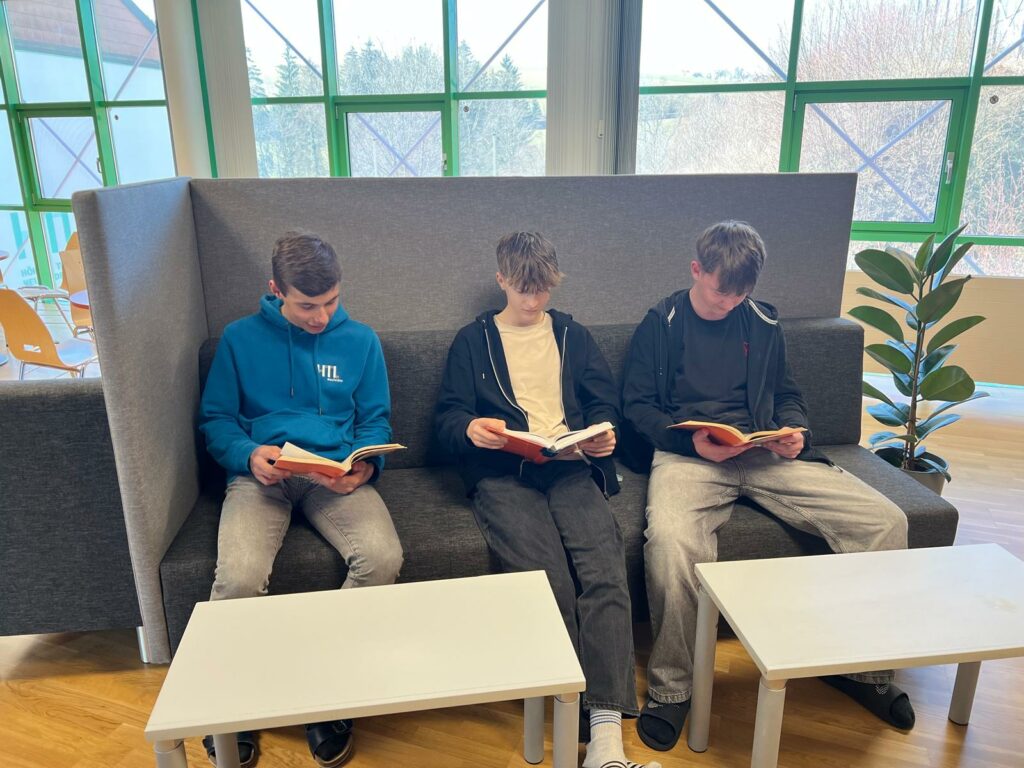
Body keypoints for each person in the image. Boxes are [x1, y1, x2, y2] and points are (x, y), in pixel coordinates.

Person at [621, 220, 914, 753]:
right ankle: (672, 689)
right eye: (720, 292)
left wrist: (795, 431)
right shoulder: (660, 323)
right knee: (670, 542)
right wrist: (694, 444)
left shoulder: (761, 320)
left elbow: (787, 393)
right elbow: (637, 408)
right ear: (697, 270)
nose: (730, 303)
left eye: (740, 295)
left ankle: (864, 672)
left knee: (885, 522)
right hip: (691, 456)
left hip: (763, 453)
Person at [435, 232, 659, 768]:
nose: (534, 301)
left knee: (605, 573)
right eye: (523, 290)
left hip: (570, 466)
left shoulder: (572, 335)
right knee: (548, 580)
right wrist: (470, 428)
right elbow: (445, 418)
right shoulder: (473, 341)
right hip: (503, 474)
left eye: (543, 291)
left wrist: (603, 435)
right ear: (502, 280)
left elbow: (604, 404)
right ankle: (572, 708)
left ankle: (606, 741)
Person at [199, 231, 403, 767]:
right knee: (239, 578)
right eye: (307, 305)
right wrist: (247, 454)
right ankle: (229, 706)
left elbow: (375, 421)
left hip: (331, 475)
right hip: (262, 476)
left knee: (382, 558)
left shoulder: (360, 341)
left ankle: (324, 689)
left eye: (330, 302)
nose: (321, 316)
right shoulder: (239, 339)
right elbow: (216, 420)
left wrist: (364, 464)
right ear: (276, 290)